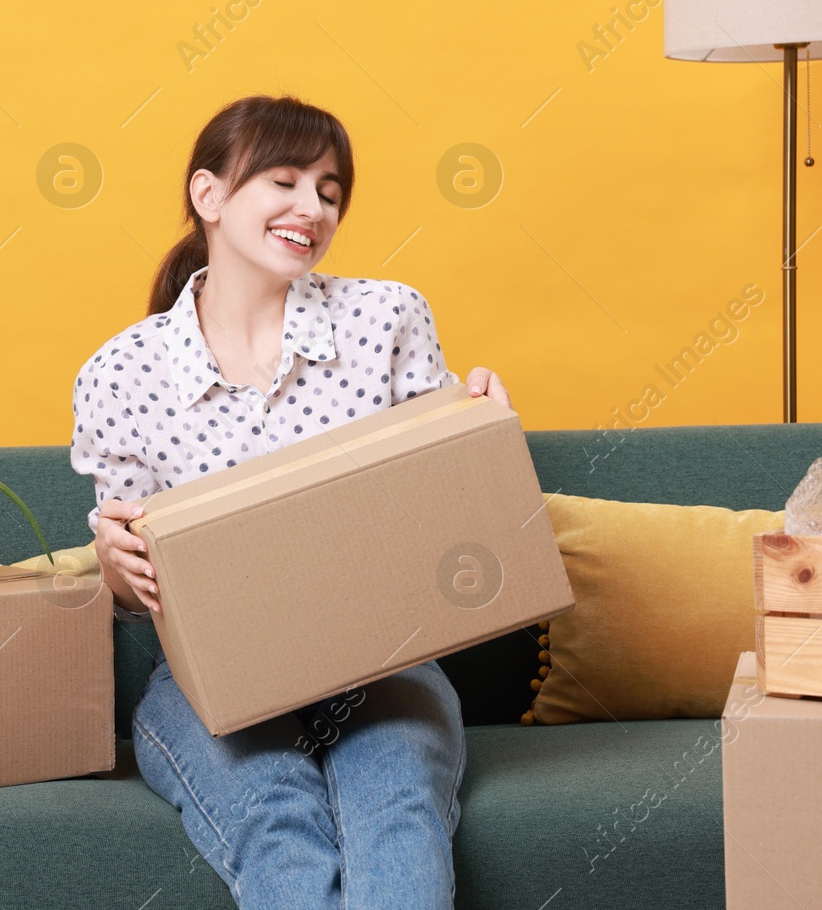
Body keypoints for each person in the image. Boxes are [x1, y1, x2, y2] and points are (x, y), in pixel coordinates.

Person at [69, 93, 512, 909]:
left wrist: (477, 430)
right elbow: (135, 597)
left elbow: (449, 517)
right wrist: (116, 565)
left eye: (330, 191)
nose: (312, 208)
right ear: (209, 195)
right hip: (215, 680)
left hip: (385, 662)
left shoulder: (387, 318)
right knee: (279, 830)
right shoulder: (122, 373)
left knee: (396, 813)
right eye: (285, 180)